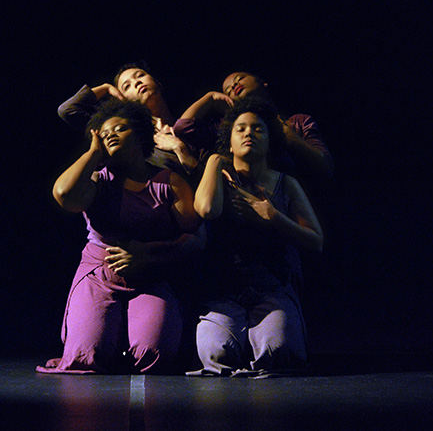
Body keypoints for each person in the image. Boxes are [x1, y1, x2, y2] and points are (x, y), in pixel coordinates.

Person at [37, 99, 202, 374]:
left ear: (139, 135)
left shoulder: (168, 181)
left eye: (119, 128)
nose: (109, 134)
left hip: (150, 274)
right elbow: (64, 195)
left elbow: (195, 238)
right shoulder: (98, 180)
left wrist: (147, 255)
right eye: (103, 133)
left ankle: (126, 336)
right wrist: (92, 152)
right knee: (85, 357)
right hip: (100, 273)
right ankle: (109, 338)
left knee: (154, 355)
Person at [190, 98, 323, 377]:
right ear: (229, 140)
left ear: (270, 141)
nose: (249, 133)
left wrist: (272, 217)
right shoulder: (218, 173)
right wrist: (215, 160)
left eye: (257, 129)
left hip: (272, 288)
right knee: (217, 353)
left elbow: (315, 241)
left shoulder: (285, 183)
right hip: (225, 292)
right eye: (240, 129)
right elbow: (206, 210)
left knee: (280, 351)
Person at [176, 71, 334, 188]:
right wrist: (210, 98)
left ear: (261, 81)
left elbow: (324, 166)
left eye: (239, 79)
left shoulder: (298, 122)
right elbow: (183, 127)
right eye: (228, 90)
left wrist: (284, 132)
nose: (234, 86)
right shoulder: (233, 130)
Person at [57, 62, 204, 187]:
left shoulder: (189, 128)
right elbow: (67, 110)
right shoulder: (127, 136)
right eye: (127, 86)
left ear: (158, 83)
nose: (137, 83)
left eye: (140, 75)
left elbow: (212, 184)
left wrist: (180, 149)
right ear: (124, 99)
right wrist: (106, 88)